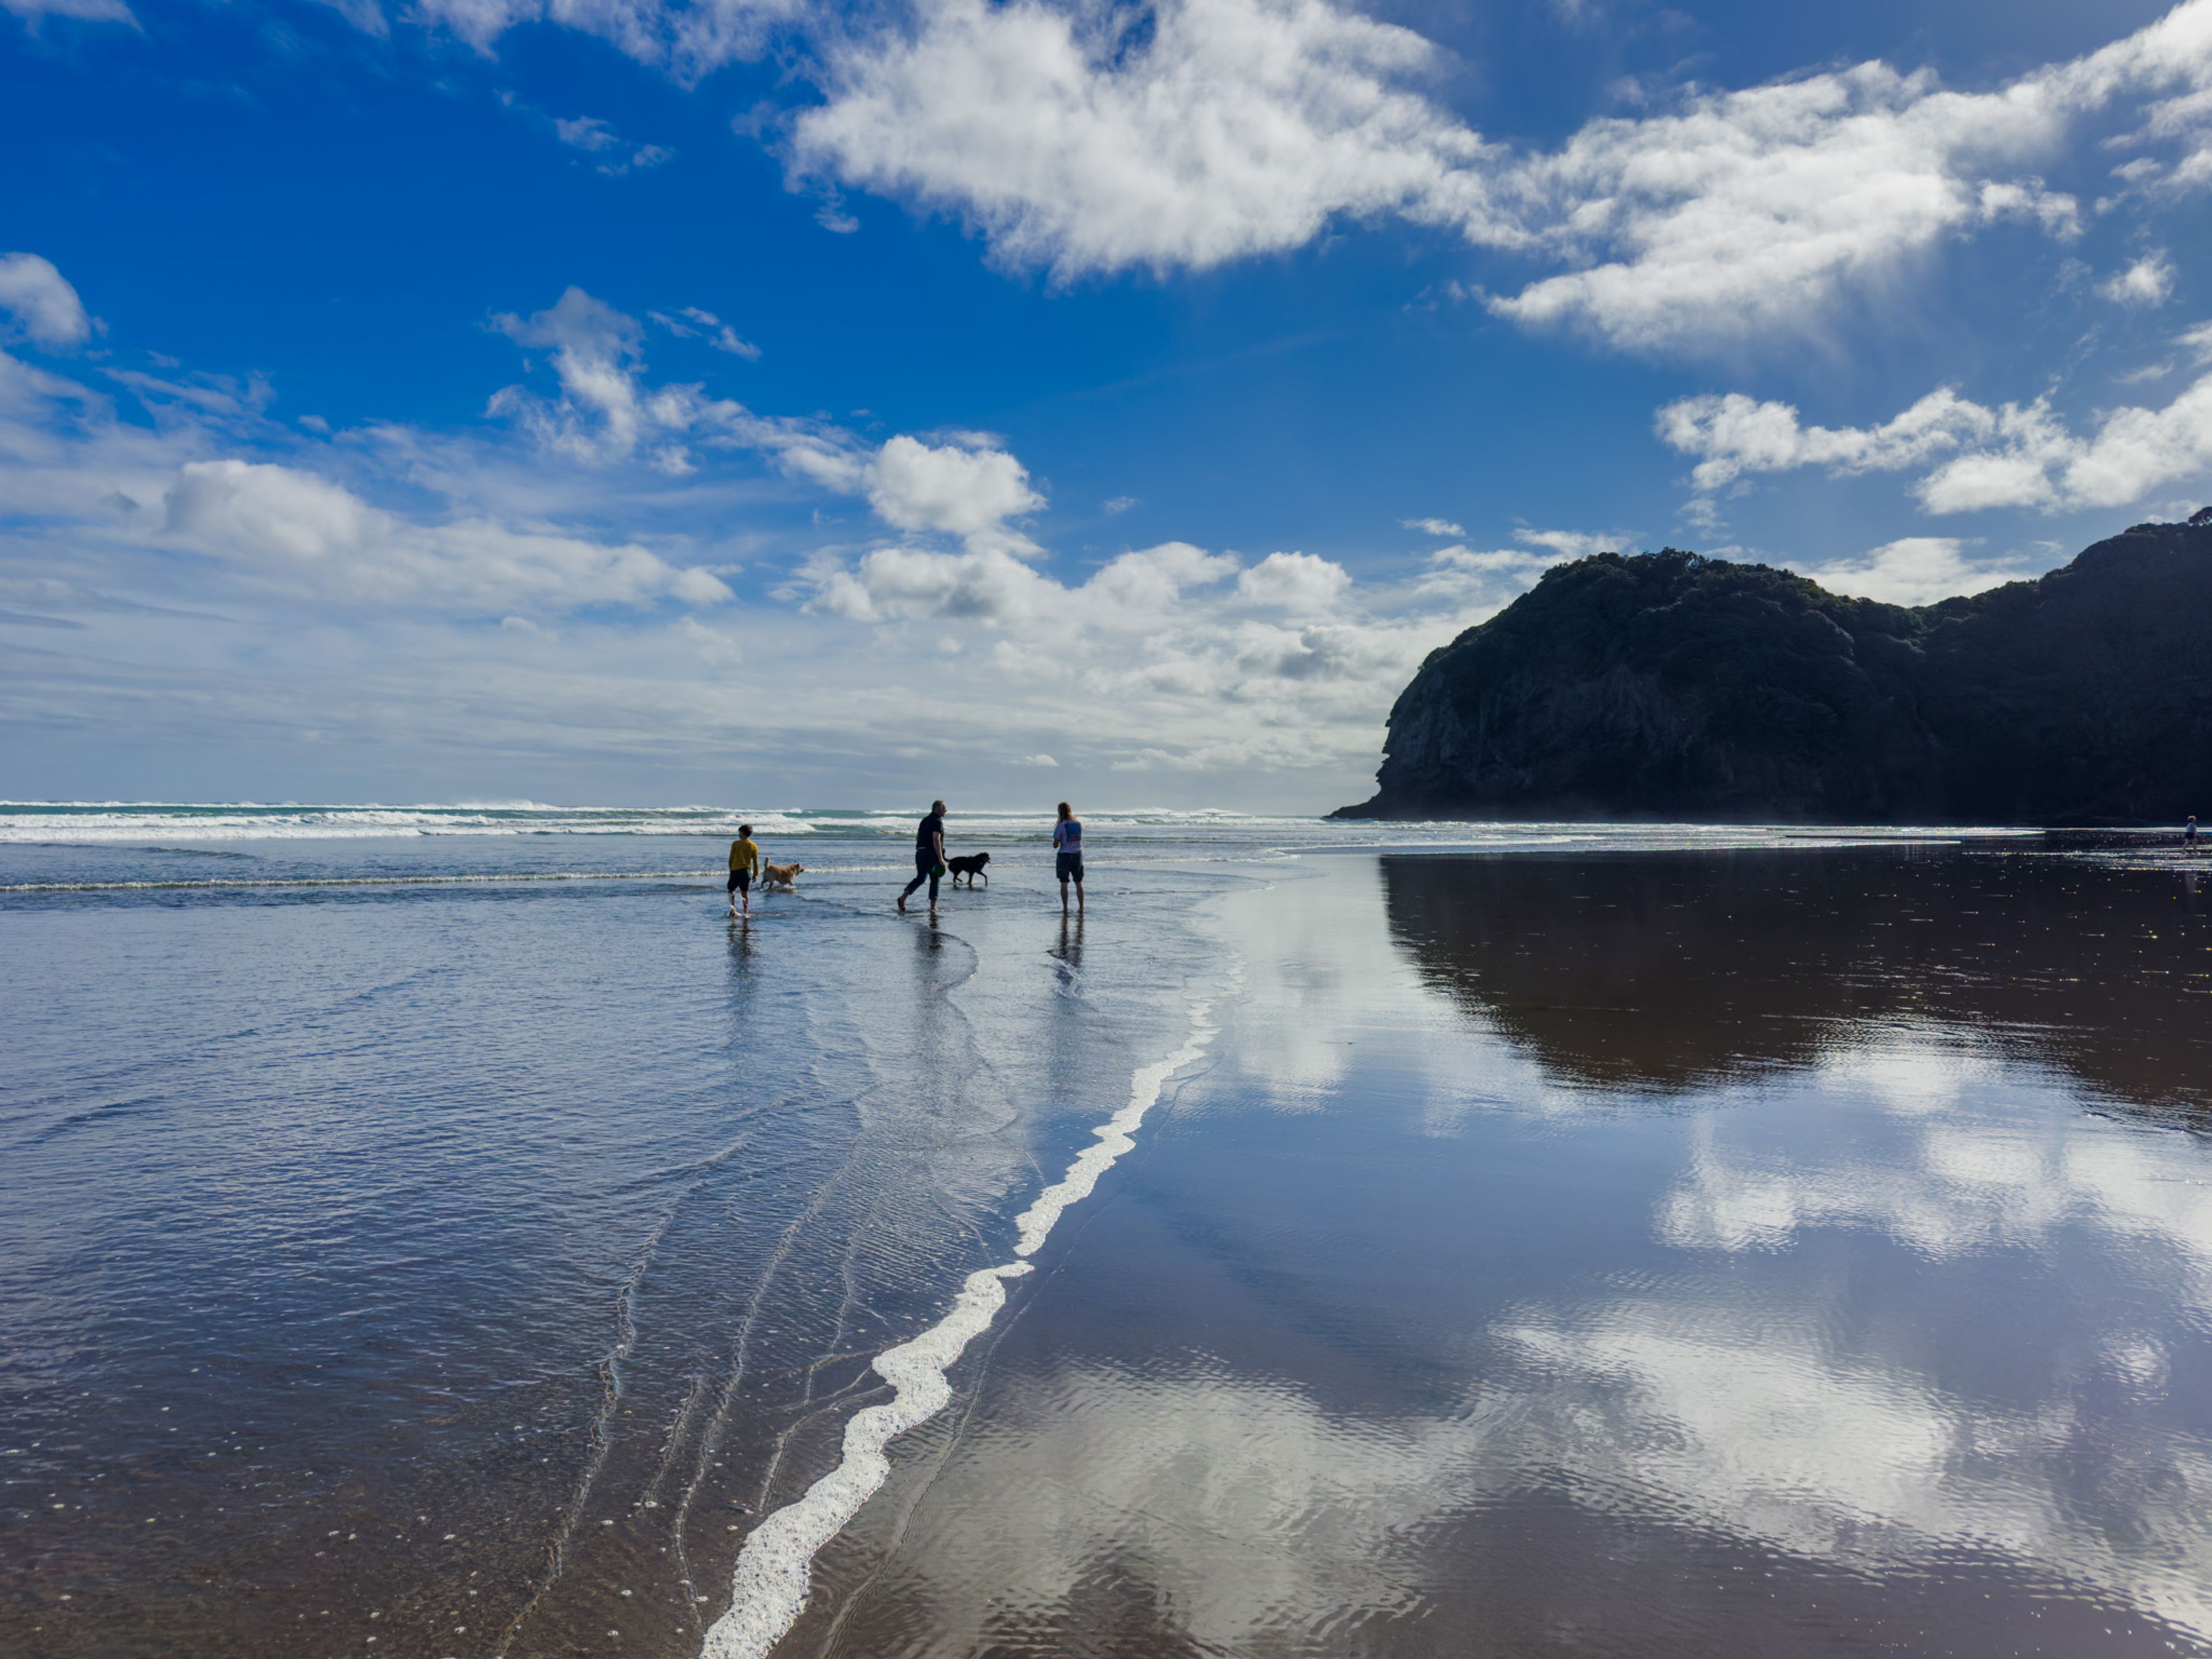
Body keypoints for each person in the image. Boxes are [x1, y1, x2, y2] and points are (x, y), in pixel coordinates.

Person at [899, 800, 949, 915]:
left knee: (921, 878)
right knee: (935, 880)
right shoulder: (937, 821)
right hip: (931, 853)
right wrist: (940, 858)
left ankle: (903, 898)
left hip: (920, 852)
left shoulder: (924, 820)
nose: (946, 810)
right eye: (944, 808)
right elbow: (936, 839)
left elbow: (918, 836)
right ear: (937, 809)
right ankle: (933, 908)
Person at [1052, 801, 1085, 914]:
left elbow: (1056, 845)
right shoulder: (1078, 824)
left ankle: (1065, 908)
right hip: (1077, 854)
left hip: (1064, 855)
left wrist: (1058, 842)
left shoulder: (1061, 826)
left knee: (1064, 882)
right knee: (1078, 882)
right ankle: (1081, 907)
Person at [728, 823, 760, 918]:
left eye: (740, 832)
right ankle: (746, 911)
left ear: (743, 833)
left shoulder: (736, 844)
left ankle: (733, 907)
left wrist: (731, 869)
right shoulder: (753, 845)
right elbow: (755, 861)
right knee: (745, 891)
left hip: (736, 870)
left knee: (731, 889)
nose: (739, 834)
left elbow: (731, 858)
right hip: (747, 871)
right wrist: (755, 874)